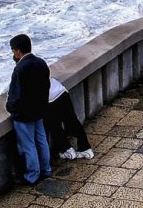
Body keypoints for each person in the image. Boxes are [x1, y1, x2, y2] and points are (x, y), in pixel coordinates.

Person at [6, 34, 52, 185]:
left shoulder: (20, 68)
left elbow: (15, 95)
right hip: (39, 111)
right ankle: (46, 169)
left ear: (18, 51)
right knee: (42, 140)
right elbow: (46, 86)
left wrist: (10, 108)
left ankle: (32, 175)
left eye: (13, 51)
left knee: (28, 145)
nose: (13, 54)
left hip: (23, 115)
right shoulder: (41, 63)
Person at [45, 77, 94, 160]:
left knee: (54, 126)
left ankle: (67, 150)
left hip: (49, 99)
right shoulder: (41, 63)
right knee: (72, 121)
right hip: (61, 92)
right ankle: (85, 148)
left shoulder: (22, 70)